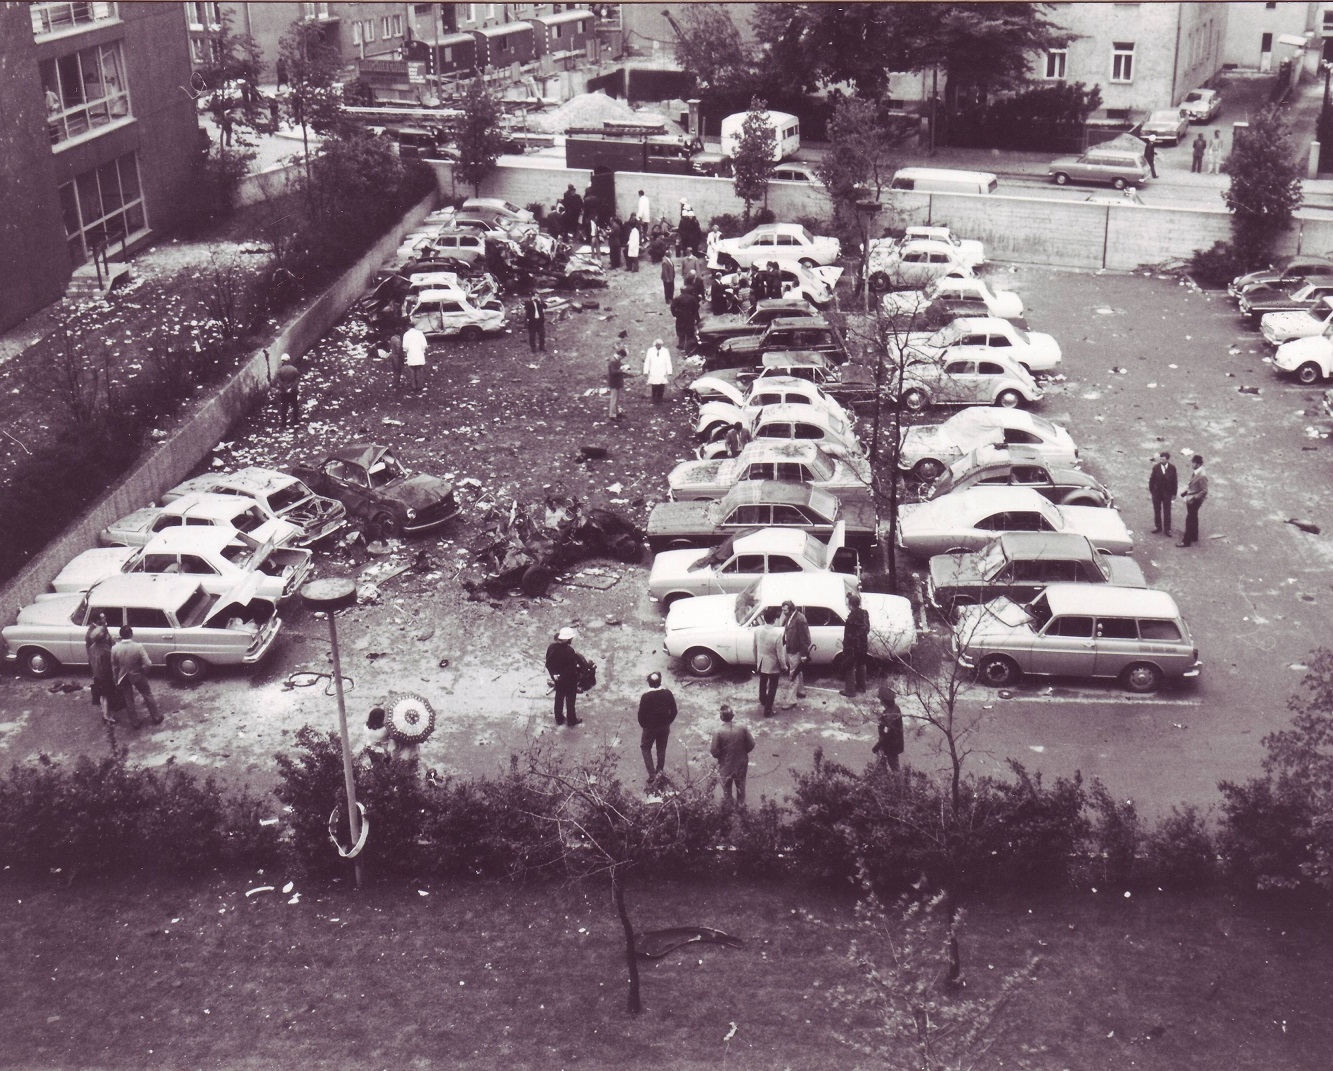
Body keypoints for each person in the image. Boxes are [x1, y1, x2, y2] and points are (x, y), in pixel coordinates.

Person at [112, 626, 162, 728]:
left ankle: (135, 722)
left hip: (123, 677)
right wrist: (143, 672)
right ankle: (156, 717)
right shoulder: (138, 646)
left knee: (128, 699)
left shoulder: (115, 648)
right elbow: (148, 663)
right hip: (137, 675)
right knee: (147, 694)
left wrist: (116, 680)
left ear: (121, 635)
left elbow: (114, 667)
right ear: (131, 634)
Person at [637, 671, 677, 786]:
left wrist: (645, 726)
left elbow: (641, 715)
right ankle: (660, 771)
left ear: (649, 683)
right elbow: (674, 710)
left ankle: (652, 775)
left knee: (645, 747)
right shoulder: (667, 693)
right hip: (664, 726)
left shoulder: (645, 697)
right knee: (661, 748)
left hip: (650, 728)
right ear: (660, 682)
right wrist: (668, 721)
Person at [710, 705, 755, 806]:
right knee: (741, 786)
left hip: (726, 765)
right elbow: (751, 744)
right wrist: (743, 752)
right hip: (741, 762)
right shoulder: (742, 727)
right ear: (732, 715)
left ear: (721, 717)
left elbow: (714, 751)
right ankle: (741, 807)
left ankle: (728, 808)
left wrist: (721, 757)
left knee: (726, 788)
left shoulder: (718, 732)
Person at [544, 626, 585, 727]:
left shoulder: (551, 648)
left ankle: (559, 719)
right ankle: (571, 720)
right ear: (567, 639)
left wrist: (554, 675)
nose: (571, 640)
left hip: (557, 679)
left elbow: (548, 663)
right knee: (570, 700)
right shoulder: (569, 651)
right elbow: (571, 669)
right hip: (569, 680)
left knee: (559, 697)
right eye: (570, 638)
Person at [85, 611, 120, 725]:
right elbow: (107, 665)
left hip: (98, 673)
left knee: (102, 694)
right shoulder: (103, 650)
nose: (105, 618)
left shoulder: (95, 644)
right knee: (106, 694)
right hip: (104, 674)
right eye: (103, 617)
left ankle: (106, 713)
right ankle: (107, 716)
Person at [840, 591, 871, 697]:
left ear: (851, 605)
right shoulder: (864, 614)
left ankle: (850, 690)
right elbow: (867, 629)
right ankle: (862, 687)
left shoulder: (851, 619)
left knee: (850, 666)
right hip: (863, 645)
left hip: (852, 647)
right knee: (861, 665)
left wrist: (847, 648)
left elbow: (849, 636)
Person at [782, 600, 811, 705]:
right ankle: (801, 691)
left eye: (785, 610)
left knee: (793, 675)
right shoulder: (790, 617)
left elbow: (805, 639)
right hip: (792, 650)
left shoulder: (800, 619)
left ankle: (791, 700)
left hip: (796, 651)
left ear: (791, 609)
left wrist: (803, 654)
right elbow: (787, 631)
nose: (783, 612)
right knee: (797, 672)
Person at [755, 617, 785, 717]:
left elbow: (754, 647)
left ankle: (763, 700)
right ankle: (768, 711)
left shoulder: (758, 631)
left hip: (761, 661)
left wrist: (757, 660)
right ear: (775, 620)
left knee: (763, 682)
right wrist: (784, 666)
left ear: (764, 619)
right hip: (773, 664)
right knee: (773, 687)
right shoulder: (777, 634)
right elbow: (780, 653)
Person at [871, 684, 905, 771]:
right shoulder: (894, 709)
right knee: (885, 764)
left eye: (881, 699)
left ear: (884, 701)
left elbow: (887, 735)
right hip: (892, 744)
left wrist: (878, 746)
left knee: (894, 766)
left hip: (891, 745)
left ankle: (897, 783)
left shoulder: (890, 715)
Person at [1177, 454, 1209, 548]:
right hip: (1193, 497)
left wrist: (1194, 497)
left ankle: (1186, 541)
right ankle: (1194, 536)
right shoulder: (1198, 471)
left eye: (1193, 463)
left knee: (1189, 519)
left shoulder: (1202, 475)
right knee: (1194, 517)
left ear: (1198, 464)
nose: (1192, 464)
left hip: (1194, 500)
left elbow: (1204, 490)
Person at [1149, 451, 1178, 536]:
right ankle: (1158, 527)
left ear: (1167, 460)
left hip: (1167, 494)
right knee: (1157, 510)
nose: (1162, 461)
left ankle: (1167, 529)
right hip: (1157, 493)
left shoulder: (1172, 468)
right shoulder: (1156, 468)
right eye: (1161, 459)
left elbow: (1174, 481)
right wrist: (1152, 491)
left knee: (1167, 512)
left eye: (1163, 459)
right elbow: (1152, 480)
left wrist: (1174, 493)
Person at [274, 353, 301, 428]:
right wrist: (291, 388)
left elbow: (279, 381)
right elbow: (297, 380)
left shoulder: (279, 371)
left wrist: (286, 389)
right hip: (293, 392)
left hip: (284, 392)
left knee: (284, 407)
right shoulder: (294, 369)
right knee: (295, 406)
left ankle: (284, 423)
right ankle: (295, 421)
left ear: (282, 361)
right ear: (289, 360)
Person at [643, 339, 672, 404]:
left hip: (662, 370)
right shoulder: (650, 351)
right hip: (653, 370)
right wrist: (645, 371)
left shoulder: (665, 351)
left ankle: (659, 399)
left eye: (660, 345)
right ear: (655, 345)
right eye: (657, 345)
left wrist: (669, 371)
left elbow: (668, 361)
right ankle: (654, 398)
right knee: (654, 385)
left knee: (661, 386)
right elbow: (647, 361)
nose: (659, 346)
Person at [402, 323, 428, 391]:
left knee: (412, 371)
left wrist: (406, 351)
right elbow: (424, 344)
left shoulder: (406, 334)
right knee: (419, 370)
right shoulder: (420, 333)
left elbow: (405, 347)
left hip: (411, 355)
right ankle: (419, 385)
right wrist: (423, 350)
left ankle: (414, 386)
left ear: (408, 327)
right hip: (419, 355)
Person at [607, 344, 629, 420]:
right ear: (619, 354)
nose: (622, 358)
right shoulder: (613, 361)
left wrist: (625, 366)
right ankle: (612, 415)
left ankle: (616, 412)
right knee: (613, 399)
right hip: (614, 382)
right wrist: (622, 370)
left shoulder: (616, 360)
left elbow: (619, 365)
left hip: (617, 382)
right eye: (622, 357)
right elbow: (613, 372)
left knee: (616, 399)